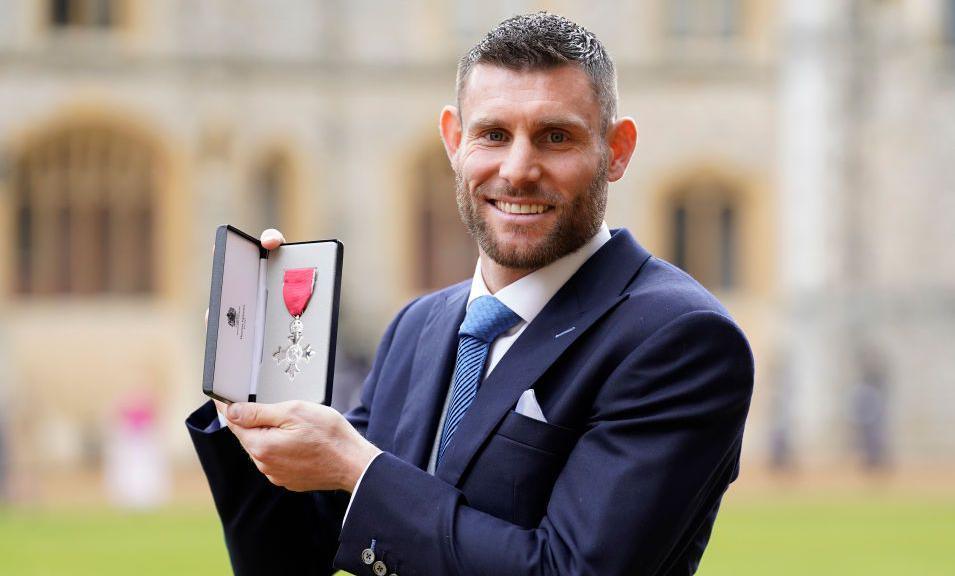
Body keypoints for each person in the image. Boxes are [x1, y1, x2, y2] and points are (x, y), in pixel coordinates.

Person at [188, 12, 754, 576]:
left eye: (555, 137)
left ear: (618, 150)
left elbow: (573, 570)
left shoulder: (680, 338)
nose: (518, 169)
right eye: (493, 134)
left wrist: (360, 469)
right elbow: (291, 558)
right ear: (454, 140)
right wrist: (244, 397)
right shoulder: (419, 325)